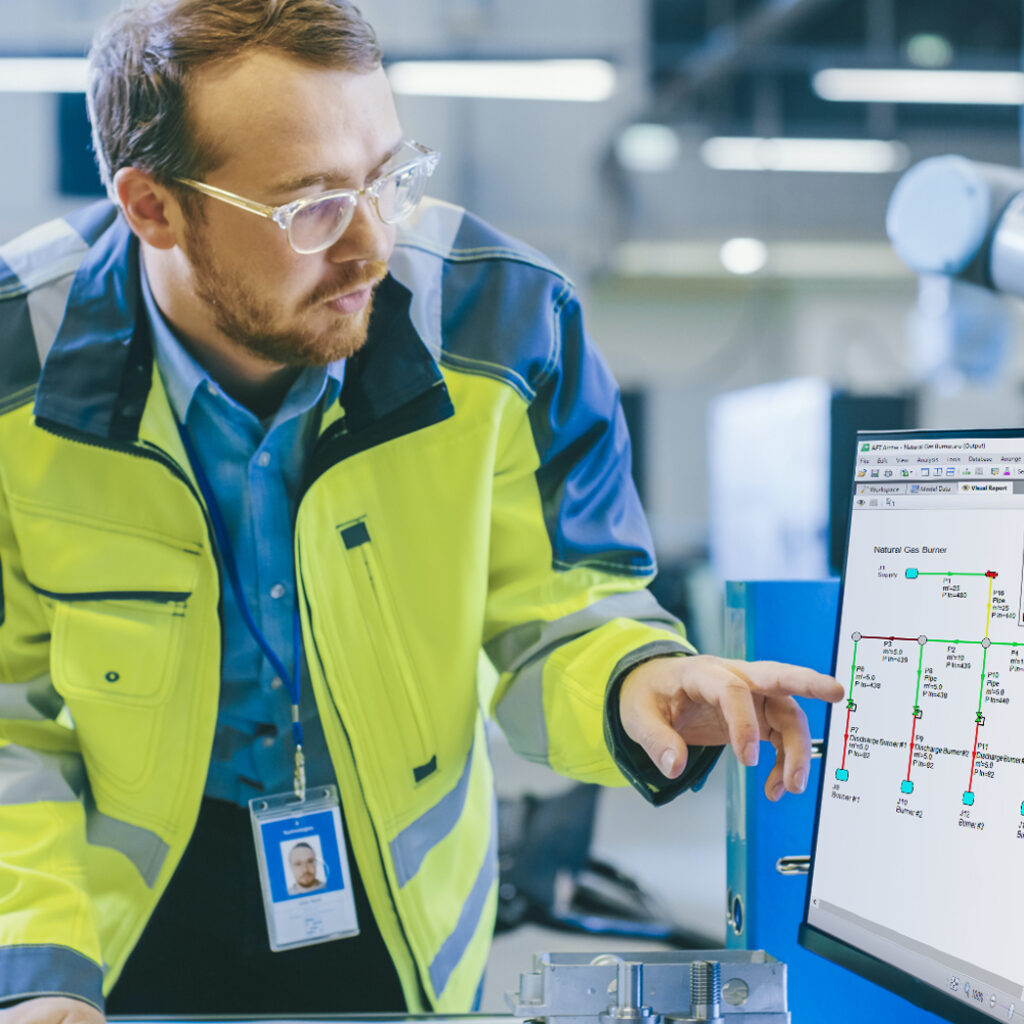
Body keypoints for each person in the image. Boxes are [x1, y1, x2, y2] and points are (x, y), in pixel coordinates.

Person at [0, 0, 844, 1020]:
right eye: (310, 206)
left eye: (389, 178)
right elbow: (12, 721)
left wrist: (638, 679)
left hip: (396, 917)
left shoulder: (506, 324)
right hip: (114, 917)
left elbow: (561, 617)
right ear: (152, 207)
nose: (371, 245)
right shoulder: (19, 371)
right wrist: (36, 973)